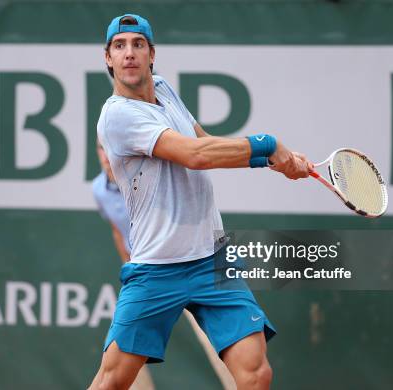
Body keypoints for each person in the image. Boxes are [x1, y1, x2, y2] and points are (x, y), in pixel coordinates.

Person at [90, 14, 312, 390]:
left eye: (138, 44)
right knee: (112, 381)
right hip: (157, 267)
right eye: (120, 46)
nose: (129, 53)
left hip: (212, 257)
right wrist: (267, 145)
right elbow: (195, 155)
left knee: (256, 374)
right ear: (108, 58)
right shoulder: (117, 116)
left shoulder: (163, 88)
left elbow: (205, 140)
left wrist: (269, 163)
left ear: (151, 54)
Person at [93, 140, 238, 389]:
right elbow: (118, 231)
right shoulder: (99, 190)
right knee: (119, 354)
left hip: (191, 264)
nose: (106, 154)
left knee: (223, 345)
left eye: (110, 147)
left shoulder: (150, 176)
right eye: (100, 148)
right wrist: (130, 272)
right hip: (146, 276)